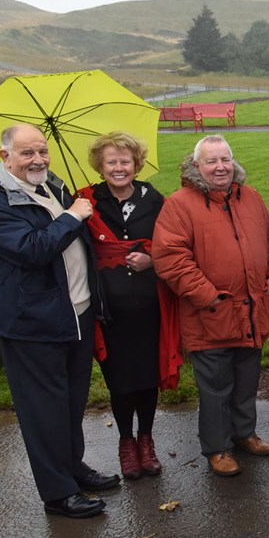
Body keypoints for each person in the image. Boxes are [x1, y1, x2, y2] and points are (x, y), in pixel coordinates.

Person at [0, 124, 117, 518]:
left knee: (70, 402)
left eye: (42, 151)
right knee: (44, 409)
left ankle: (72, 468)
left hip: (75, 313)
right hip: (32, 322)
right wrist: (72, 216)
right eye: (26, 153)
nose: (38, 160)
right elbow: (32, 249)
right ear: (5, 157)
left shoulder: (49, 185)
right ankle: (57, 493)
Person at [153, 135, 269, 477]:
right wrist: (209, 297)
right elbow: (171, 259)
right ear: (197, 166)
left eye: (225, 159)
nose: (220, 167)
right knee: (215, 387)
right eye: (211, 161)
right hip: (210, 315)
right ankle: (217, 447)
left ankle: (245, 433)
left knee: (246, 379)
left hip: (252, 310)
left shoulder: (251, 198)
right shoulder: (180, 204)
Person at [77, 132, 178, 481]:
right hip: (110, 309)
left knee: (147, 378)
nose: (119, 168)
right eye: (111, 162)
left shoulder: (154, 199)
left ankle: (146, 440)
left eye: (125, 161)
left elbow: (169, 242)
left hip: (149, 305)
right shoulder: (86, 201)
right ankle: (125, 443)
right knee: (120, 380)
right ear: (100, 166)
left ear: (136, 164)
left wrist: (151, 259)